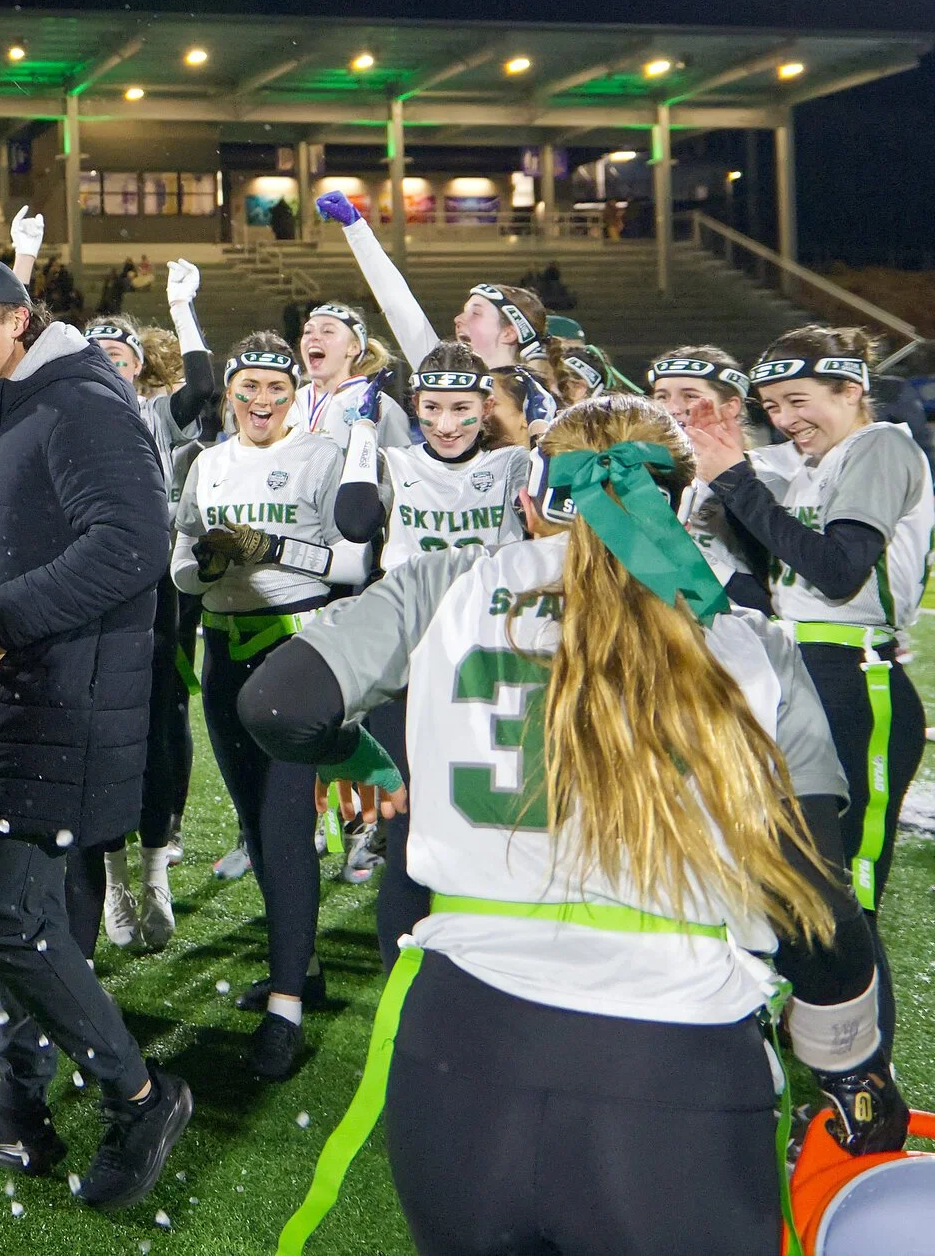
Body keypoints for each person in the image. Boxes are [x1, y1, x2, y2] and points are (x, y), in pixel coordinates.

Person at [242, 394, 907, 1256]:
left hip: (460, 1041)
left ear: (532, 498)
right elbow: (809, 894)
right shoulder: (747, 642)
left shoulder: (447, 586)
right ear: (679, 506)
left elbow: (277, 705)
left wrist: (358, 757)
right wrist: (850, 1063)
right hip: (671, 1064)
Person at [0, 256, 193, 1212]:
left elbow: (132, 544)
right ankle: (18, 1112)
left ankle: (139, 1098)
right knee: (36, 915)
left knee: (3, 916)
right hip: (24, 706)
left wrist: (4, 622)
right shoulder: (20, 403)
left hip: (58, 710)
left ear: (19, 320)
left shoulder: (77, 405)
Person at [689, 326, 933, 1047]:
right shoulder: (808, 467)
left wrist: (738, 481)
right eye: (773, 405)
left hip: (856, 681)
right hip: (796, 677)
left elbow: (836, 570)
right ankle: (814, 1063)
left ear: (852, 389)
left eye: (799, 400)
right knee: (783, 884)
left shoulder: (880, 447)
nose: (787, 418)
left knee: (848, 901)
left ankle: (862, 1089)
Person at [172, 336, 376, 1074]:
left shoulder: (324, 456)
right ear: (229, 392)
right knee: (259, 825)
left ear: (296, 395)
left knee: (288, 824)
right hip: (224, 652)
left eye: (276, 390)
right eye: (248, 387)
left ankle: (287, 1008)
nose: (262, 402)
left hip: (298, 651)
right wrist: (210, 562)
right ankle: (302, 968)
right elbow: (182, 573)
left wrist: (271, 548)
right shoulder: (207, 463)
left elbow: (355, 561)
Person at [356, 344, 529, 962]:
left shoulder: (516, 465)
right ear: (415, 406)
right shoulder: (392, 462)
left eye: (463, 407)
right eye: (433, 407)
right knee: (405, 826)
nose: (448, 424)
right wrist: (357, 433)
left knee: (493, 823)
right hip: (407, 668)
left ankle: (484, 964)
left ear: (488, 408)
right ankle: (402, 973)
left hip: (490, 668)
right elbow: (353, 523)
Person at [81, 263, 219, 952]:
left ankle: (156, 869)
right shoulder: (61, 418)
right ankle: (112, 877)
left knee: (163, 719)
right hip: (88, 595)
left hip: (156, 591)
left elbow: (201, 386)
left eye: (119, 356)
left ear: (137, 369)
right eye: (95, 356)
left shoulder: (152, 416)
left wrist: (180, 308)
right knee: (100, 732)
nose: (107, 365)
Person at [316, 191, 562, 433]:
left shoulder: (537, 400)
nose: (457, 319)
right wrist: (356, 228)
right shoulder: (446, 373)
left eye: (475, 313)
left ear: (509, 332)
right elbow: (398, 306)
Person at [646, 347, 776, 614]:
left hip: (741, 626)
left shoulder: (769, 476)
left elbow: (776, 585)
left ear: (730, 407)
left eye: (690, 396)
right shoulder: (639, 476)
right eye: (662, 396)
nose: (672, 408)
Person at [287, 301, 412, 449]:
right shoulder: (289, 403)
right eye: (308, 331)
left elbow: (399, 467)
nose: (314, 337)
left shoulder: (381, 407)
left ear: (353, 347)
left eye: (327, 331)